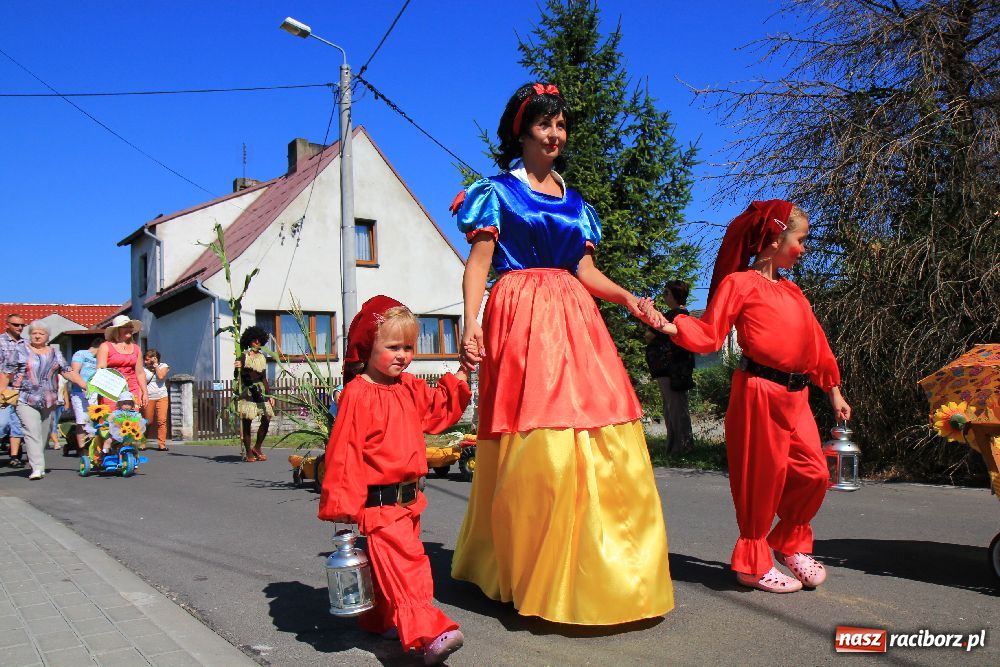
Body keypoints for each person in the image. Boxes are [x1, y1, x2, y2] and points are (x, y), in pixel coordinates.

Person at [449, 83, 673, 624]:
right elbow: (478, 264)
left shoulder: (577, 202)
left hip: (575, 316)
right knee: (538, 437)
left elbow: (585, 271)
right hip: (520, 314)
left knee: (595, 425)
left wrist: (629, 299)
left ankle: (595, 570)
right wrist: (469, 323)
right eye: (545, 125)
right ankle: (528, 569)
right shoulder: (496, 192)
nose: (555, 135)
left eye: (561, 126)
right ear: (522, 132)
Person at [638, 199, 851, 593]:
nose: (803, 249)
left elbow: (816, 344)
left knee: (815, 473)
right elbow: (709, 333)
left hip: (797, 394)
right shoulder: (739, 284)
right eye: (800, 240)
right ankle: (752, 564)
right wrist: (666, 324)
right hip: (758, 392)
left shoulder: (793, 292)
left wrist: (833, 390)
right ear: (774, 238)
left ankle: (789, 543)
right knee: (760, 480)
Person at [318, 296, 471, 665]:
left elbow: (439, 410)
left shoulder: (409, 386)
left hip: (409, 501)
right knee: (409, 565)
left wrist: (464, 373)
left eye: (408, 347)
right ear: (369, 346)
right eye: (392, 347)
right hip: (380, 503)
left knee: (392, 565)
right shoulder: (358, 393)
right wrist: (344, 507)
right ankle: (429, 631)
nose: (402, 355)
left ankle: (378, 619)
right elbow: (345, 451)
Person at [2, 322, 85, 479]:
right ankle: (37, 468)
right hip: (24, 397)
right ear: (30, 335)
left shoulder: (55, 353)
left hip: (49, 399)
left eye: (41, 333)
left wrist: (84, 385)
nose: (37, 336)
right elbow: (7, 373)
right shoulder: (20, 350)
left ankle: (37, 461)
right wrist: (1, 392)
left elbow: (67, 371)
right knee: (31, 431)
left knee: (43, 434)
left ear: (48, 337)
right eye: (34, 333)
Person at [643, 280, 695, 454]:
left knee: (675, 408)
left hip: (671, 369)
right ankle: (674, 448)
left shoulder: (675, 316)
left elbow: (650, 335)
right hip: (674, 368)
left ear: (674, 295)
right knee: (673, 407)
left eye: (666, 293)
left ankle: (682, 449)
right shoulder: (681, 315)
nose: (664, 296)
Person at [234, 326, 273, 462]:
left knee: (267, 418)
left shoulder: (262, 357)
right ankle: (248, 452)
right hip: (247, 392)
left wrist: (269, 395)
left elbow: (263, 378)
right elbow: (237, 376)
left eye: (259, 340)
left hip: (260, 392)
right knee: (247, 422)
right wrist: (237, 367)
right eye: (254, 340)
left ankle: (257, 447)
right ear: (250, 341)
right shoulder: (243, 356)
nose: (257, 342)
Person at [96, 315, 146, 409]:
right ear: (117, 329)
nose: (129, 329)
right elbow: (101, 371)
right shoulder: (105, 346)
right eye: (126, 326)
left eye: (130, 327)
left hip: (132, 388)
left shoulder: (136, 349)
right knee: (113, 419)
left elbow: (140, 373)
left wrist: (144, 392)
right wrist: (118, 381)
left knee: (132, 420)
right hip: (111, 389)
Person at [0, 314, 27, 466]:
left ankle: (14, 456)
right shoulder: (1, 341)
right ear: (7, 325)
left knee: (18, 423)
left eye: (22, 325)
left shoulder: (26, 343)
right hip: (4, 386)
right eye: (16, 325)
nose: (20, 328)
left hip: (21, 387)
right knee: (2, 423)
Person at [69, 338, 102, 454]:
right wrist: (83, 385)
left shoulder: (100, 359)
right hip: (79, 392)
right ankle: (82, 448)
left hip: (95, 392)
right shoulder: (81, 354)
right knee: (81, 420)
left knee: (94, 419)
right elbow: (74, 372)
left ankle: (93, 445)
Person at [142, 349, 170, 451]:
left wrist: (156, 365)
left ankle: (161, 444)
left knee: (162, 420)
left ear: (154, 359)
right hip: (149, 397)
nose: (145, 362)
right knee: (148, 422)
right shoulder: (143, 369)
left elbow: (161, 376)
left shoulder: (163, 366)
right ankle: (143, 441)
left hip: (162, 396)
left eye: (147, 359)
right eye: (145, 359)